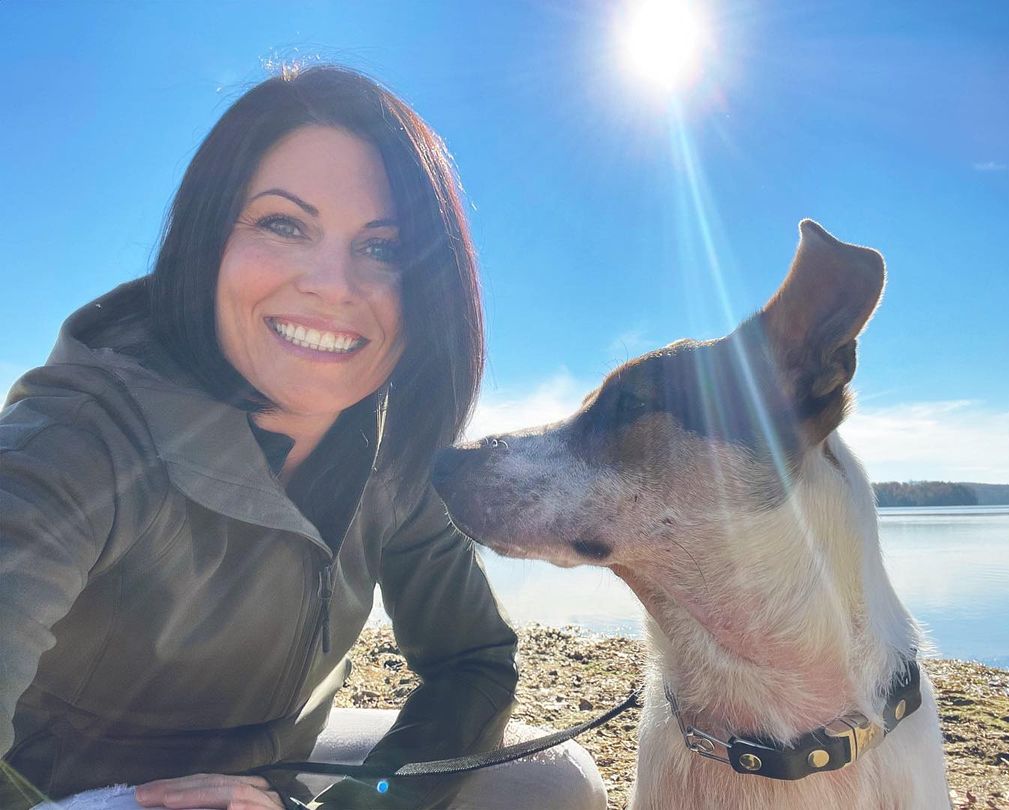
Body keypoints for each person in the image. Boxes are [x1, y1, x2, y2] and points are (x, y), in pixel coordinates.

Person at [0, 66, 607, 810]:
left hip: (275, 780)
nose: (332, 284)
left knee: (552, 782)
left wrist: (360, 805)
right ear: (205, 241)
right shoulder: (72, 441)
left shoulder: (395, 457)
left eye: (383, 248)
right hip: (58, 795)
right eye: (283, 224)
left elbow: (473, 662)